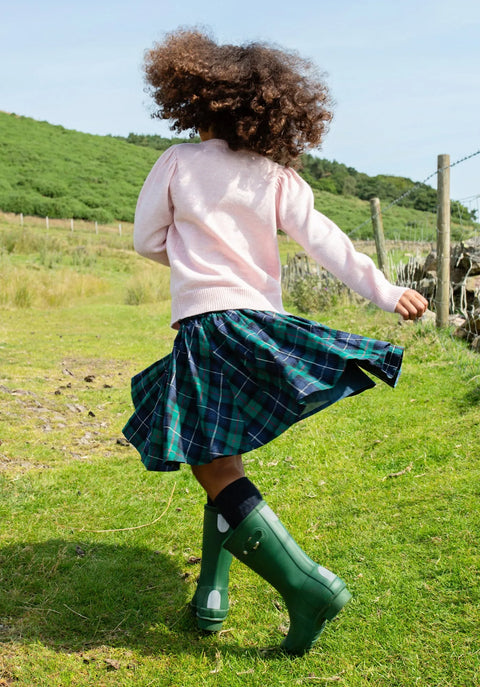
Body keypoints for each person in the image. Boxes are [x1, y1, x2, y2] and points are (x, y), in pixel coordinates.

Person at [123, 28, 428, 655]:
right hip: (261, 325)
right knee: (223, 452)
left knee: (211, 460)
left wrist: (188, 262)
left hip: (210, 326)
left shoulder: (178, 162)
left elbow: (146, 241)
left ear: (196, 101)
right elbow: (326, 241)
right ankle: (212, 593)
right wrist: (383, 290)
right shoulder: (277, 176)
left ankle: (307, 586)